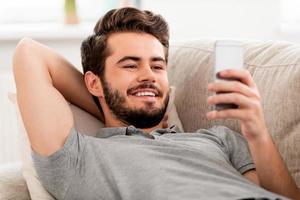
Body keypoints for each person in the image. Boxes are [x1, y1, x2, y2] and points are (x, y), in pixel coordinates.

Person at [13, 7, 300, 200]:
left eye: (157, 66)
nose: (148, 76)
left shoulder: (220, 139)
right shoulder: (81, 159)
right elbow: (30, 53)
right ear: (93, 83)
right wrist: (112, 106)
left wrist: (258, 132)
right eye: (130, 65)